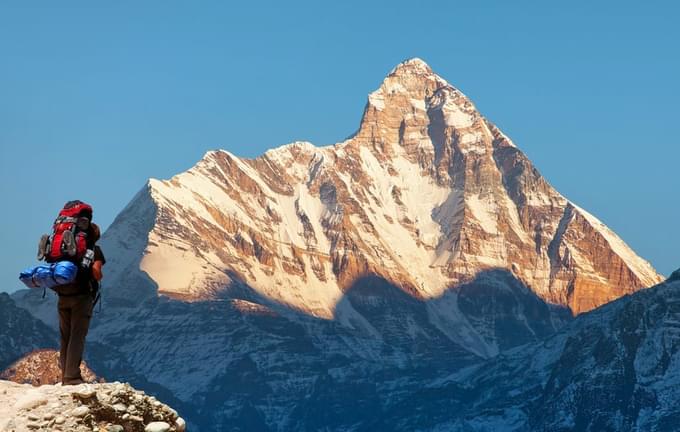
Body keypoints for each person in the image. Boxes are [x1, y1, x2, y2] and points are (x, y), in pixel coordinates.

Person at [57, 220, 105, 385]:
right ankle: (72, 377)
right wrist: (95, 271)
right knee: (77, 336)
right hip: (82, 298)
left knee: (65, 337)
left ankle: (65, 375)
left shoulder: (68, 251)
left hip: (63, 296)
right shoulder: (94, 251)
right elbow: (97, 273)